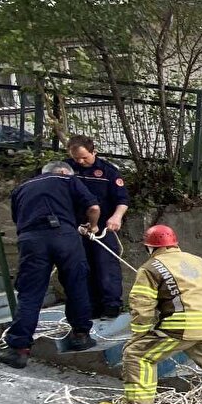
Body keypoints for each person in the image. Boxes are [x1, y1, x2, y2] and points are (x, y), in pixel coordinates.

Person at [97, 225, 202, 404]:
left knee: (137, 355)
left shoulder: (150, 267)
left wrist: (140, 334)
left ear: (150, 247)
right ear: (175, 243)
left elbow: (142, 304)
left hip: (180, 327)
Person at [0, 161, 100, 369]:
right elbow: (93, 207)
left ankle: (18, 349)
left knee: (30, 293)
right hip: (65, 237)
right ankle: (80, 336)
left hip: (31, 239)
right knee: (76, 285)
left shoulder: (21, 188)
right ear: (62, 171)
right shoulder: (67, 179)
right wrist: (93, 226)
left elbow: (19, 219)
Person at [66, 135, 130, 319]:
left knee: (106, 265)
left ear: (94, 152)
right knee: (81, 267)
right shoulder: (67, 169)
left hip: (102, 227)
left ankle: (111, 306)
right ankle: (90, 306)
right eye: (76, 158)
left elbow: (122, 199)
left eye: (84, 157)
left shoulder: (108, 172)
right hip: (76, 227)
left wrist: (116, 217)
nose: (80, 161)